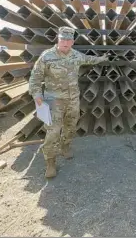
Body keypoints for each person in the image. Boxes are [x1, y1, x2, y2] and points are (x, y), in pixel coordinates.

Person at [28, 26, 108, 178]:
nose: (65, 42)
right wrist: (37, 96)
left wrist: (103, 58)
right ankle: (50, 162)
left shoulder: (76, 55)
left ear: (72, 41)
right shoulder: (47, 56)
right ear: (58, 39)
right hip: (53, 100)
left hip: (73, 99)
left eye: (68, 40)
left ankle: (65, 147)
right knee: (52, 131)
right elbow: (35, 78)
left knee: (71, 126)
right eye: (62, 39)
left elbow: (89, 59)